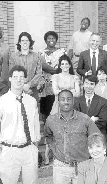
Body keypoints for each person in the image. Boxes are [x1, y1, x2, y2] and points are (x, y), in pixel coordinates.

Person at [0, 65, 42, 184]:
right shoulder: (0, 102)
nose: (19, 80)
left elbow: (36, 125)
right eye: (15, 77)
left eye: (21, 77)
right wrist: (0, 151)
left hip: (29, 150)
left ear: (25, 79)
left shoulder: (31, 101)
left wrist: (35, 145)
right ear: (10, 79)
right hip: (9, 150)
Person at [44, 89, 101, 184]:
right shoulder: (51, 120)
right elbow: (48, 136)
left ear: (73, 101)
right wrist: (54, 149)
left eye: (69, 99)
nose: (66, 102)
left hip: (82, 167)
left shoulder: (84, 119)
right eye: (63, 99)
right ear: (58, 102)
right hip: (60, 168)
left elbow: (96, 137)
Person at [38, 30, 67, 165]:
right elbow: (42, 66)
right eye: (49, 38)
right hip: (45, 90)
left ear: (56, 40)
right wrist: (55, 70)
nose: (51, 40)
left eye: (53, 38)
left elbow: (65, 66)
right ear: (46, 40)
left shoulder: (62, 52)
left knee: (59, 120)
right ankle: (47, 150)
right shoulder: (40, 53)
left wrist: (54, 72)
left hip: (58, 90)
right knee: (46, 120)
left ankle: (59, 151)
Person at [73, 75, 107, 150]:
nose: (89, 86)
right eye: (86, 83)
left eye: (91, 84)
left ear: (95, 85)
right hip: (81, 137)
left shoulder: (102, 101)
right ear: (83, 85)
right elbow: (75, 120)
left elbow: (102, 122)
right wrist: (92, 119)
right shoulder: (77, 101)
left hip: (98, 136)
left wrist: (83, 121)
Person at [9, 32, 42, 101]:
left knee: (33, 110)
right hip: (17, 90)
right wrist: (22, 86)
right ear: (20, 43)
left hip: (32, 90)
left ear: (30, 42)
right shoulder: (13, 57)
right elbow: (12, 73)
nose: (25, 42)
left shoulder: (36, 56)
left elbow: (39, 73)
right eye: (22, 40)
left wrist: (29, 85)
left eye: (27, 40)